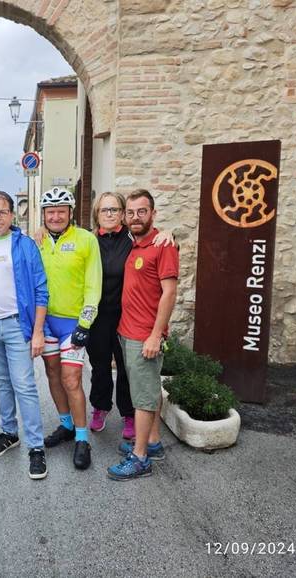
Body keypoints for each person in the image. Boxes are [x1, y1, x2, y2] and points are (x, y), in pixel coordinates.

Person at [0, 191, 49, 479]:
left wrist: (38, 331)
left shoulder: (25, 245)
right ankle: (9, 433)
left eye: (2, 212)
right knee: (1, 383)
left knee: (24, 385)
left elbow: (41, 290)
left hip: (17, 326)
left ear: (12, 215)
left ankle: (36, 447)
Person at [85, 193, 174, 438]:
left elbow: (153, 239)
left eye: (115, 209)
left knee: (126, 369)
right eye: (105, 210)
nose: (110, 214)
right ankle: (100, 407)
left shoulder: (131, 238)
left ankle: (128, 414)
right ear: (97, 215)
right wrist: (39, 230)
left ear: (123, 213)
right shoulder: (90, 240)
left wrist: (168, 233)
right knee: (99, 366)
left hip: (126, 316)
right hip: (98, 317)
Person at [108, 189, 179, 481]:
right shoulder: (135, 243)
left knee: (143, 397)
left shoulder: (163, 246)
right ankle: (152, 442)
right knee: (146, 389)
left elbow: (170, 292)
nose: (136, 217)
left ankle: (140, 458)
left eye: (142, 211)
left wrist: (155, 335)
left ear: (153, 214)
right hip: (127, 331)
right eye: (131, 212)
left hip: (144, 336)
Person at [37, 187, 102, 470]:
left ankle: (82, 437)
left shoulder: (86, 240)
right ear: (44, 215)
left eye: (60, 211)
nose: (55, 216)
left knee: (71, 380)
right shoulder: (36, 240)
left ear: (70, 213)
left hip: (73, 323)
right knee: (52, 374)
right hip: (46, 321)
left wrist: (85, 323)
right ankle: (65, 425)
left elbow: (93, 285)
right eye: (50, 212)